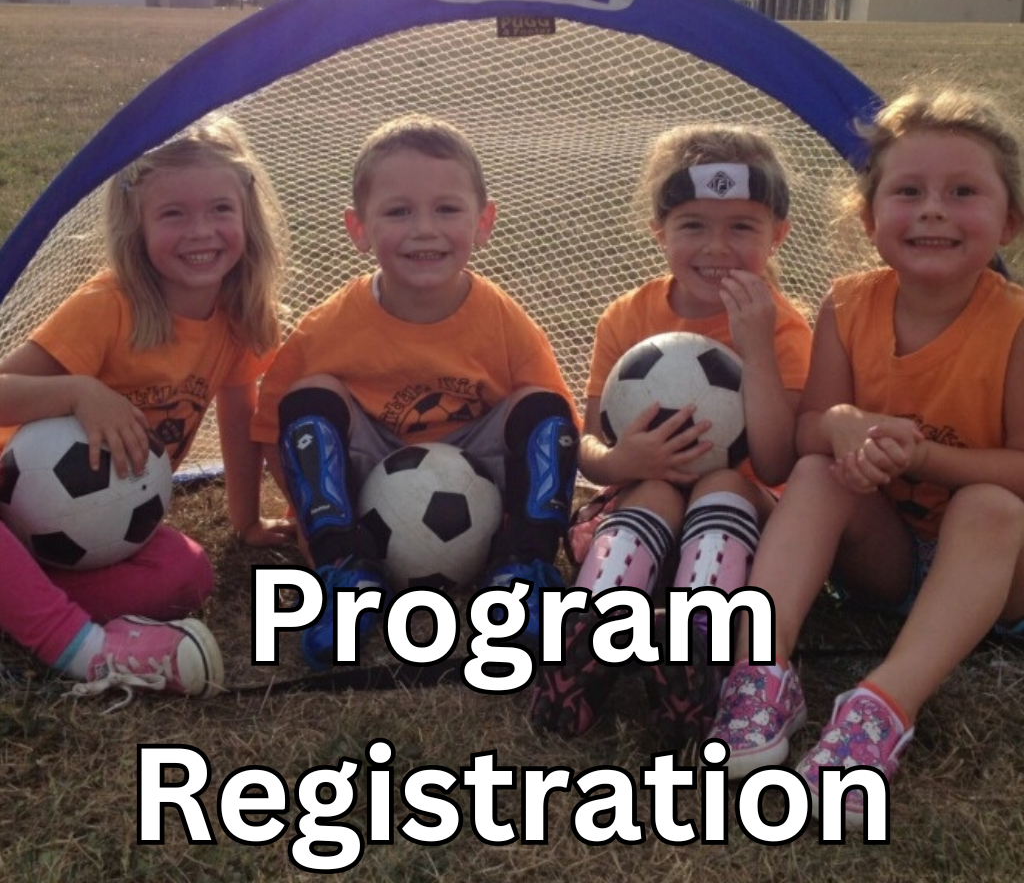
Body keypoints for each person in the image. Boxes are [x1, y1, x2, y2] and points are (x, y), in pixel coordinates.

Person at [707, 88, 1024, 828]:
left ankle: (882, 707)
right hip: (887, 564)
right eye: (908, 191)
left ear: (1008, 219)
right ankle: (761, 672)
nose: (934, 210)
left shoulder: (1014, 322)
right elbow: (801, 441)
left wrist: (922, 458)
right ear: (868, 217)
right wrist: (844, 424)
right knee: (820, 473)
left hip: (995, 578)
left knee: (991, 504)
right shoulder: (848, 305)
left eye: (963, 192)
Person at [251, 114, 579, 670]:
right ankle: (343, 570)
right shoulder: (328, 326)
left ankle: (522, 569)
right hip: (371, 465)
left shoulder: (502, 319)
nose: (424, 229)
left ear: (484, 222)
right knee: (310, 398)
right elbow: (271, 434)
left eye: (447, 209)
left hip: (478, 463)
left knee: (543, 409)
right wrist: (319, 525)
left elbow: (558, 432)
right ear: (359, 229)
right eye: (399, 211)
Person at [530, 125, 812, 738]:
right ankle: (584, 647)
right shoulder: (628, 317)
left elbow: (774, 460)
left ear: (778, 234)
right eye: (692, 225)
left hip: (743, 513)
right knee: (655, 490)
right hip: (646, 505)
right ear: (660, 231)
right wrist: (625, 458)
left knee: (719, 484)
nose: (718, 246)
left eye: (742, 226)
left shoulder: (784, 329)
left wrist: (757, 349)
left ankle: (696, 647)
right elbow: (589, 448)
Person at [0, 117, 290, 699]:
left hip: (81, 536)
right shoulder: (107, 308)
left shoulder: (238, 320)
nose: (200, 231)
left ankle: (20, 601)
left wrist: (247, 520)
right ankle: (84, 650)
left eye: (219, 209)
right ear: (137, 223)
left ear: (247, 214)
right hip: (9, 514)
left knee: (187, 576)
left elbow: (239, 416)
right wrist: (79, 392)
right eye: (173, 214)